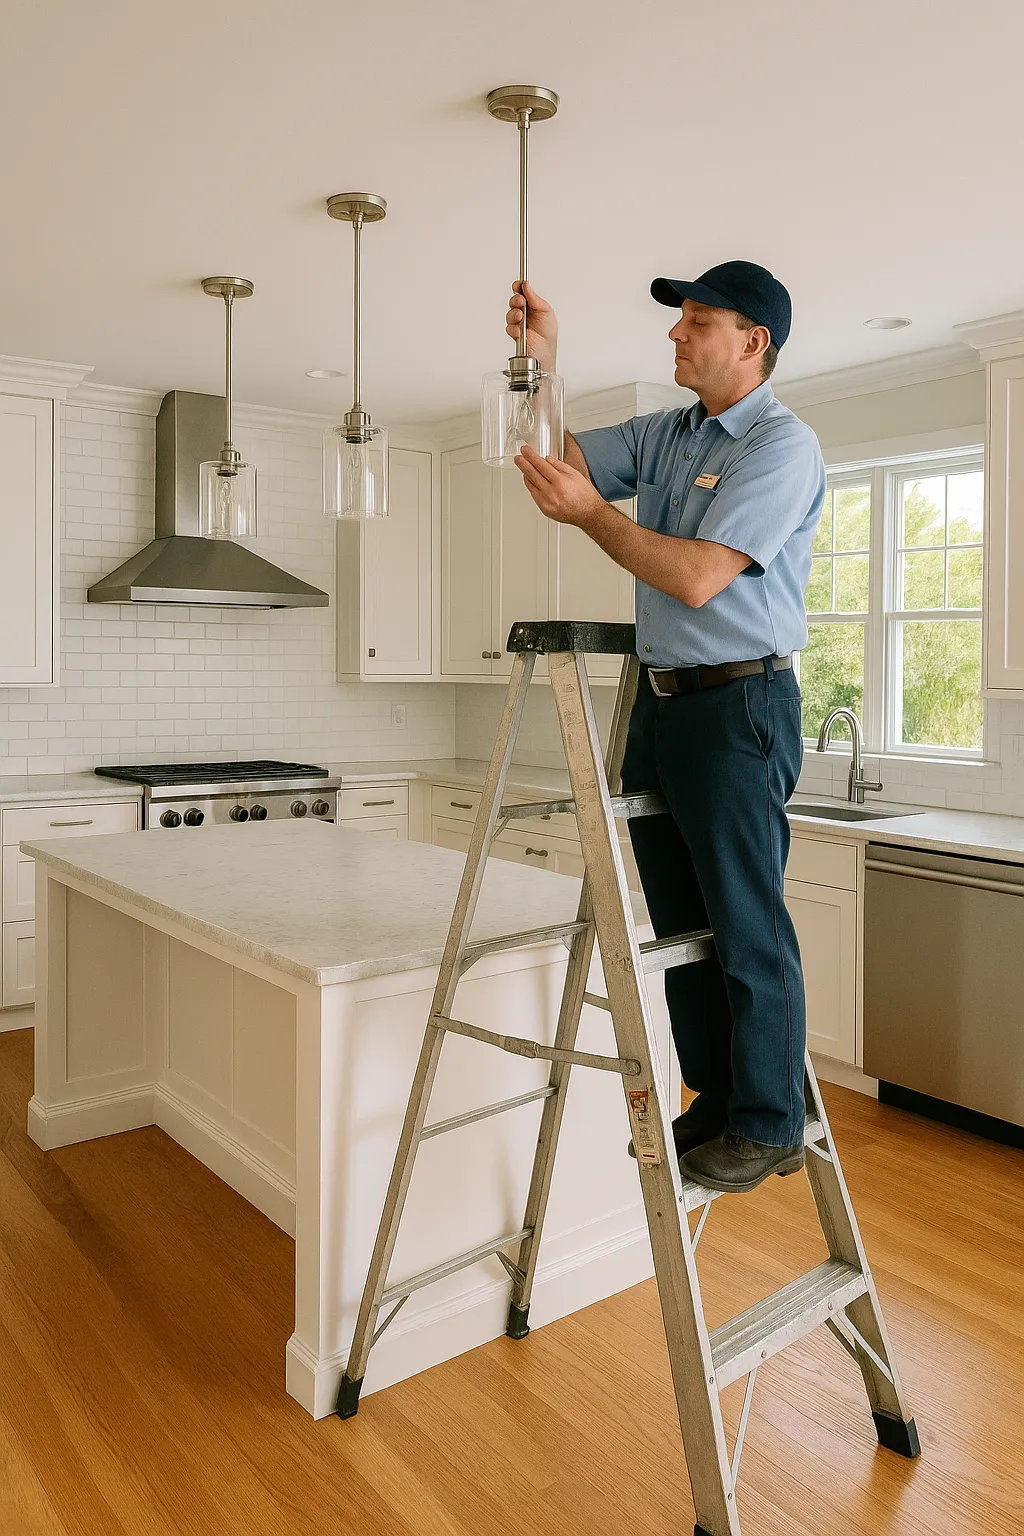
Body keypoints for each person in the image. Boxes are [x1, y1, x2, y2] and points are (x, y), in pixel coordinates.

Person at [509, 261, 826, 1194]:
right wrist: (543, 361)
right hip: (662, 702)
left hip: (739, 708)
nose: (676, 334)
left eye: (697, 320)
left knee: (745, 921)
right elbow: (560, 462)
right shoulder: (670, 433)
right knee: (684, 924)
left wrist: (593, 520)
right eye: (680, 318)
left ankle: (771, 1121)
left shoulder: (781, 445)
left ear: (753, 342)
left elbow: (694, 578)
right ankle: (718, 1102)